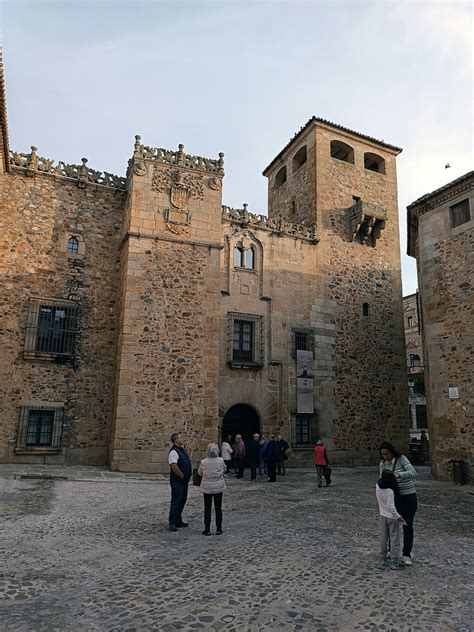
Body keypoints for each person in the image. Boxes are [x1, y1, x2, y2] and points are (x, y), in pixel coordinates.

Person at [379, 441, 417, 566]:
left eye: (387, 453)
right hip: (394, 498)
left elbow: (413, 473)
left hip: (408, 496)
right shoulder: (382, 464)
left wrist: (398, 475)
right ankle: (392, 550)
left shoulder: (402, 460)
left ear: (392, 451)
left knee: (407, 525)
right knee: (393, 526)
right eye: (383, 454)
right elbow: (382, 481)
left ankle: (407, 554)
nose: (385, 456)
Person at [376, 470, 406, 569]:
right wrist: (398, 516)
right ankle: (394, 561)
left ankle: (382, 559)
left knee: (383, 538)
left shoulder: (378, 486)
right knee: (394, 539)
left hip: (382, 514)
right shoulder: (390, 491)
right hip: (391, 517)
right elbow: (391, 506)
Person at [198, 443, 226, 536]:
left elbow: (200, 473)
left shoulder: (203, 462)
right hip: (218, 487)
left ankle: (207, 530)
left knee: (207, 508)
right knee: (218, 508)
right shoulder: (221, 461)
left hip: (207, 488)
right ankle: (219, 529)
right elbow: (224, 470)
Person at [168, 432, 192, 532]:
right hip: (178, 481)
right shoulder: (174, 451)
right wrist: (181, 475)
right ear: (176, 440)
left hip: (183, 481)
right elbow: (173, 465)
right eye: (180, 438)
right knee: (176, 501)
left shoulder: (181, 450)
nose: (182, 439)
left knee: (182, 500)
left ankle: (178, 520)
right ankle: (172, 522)